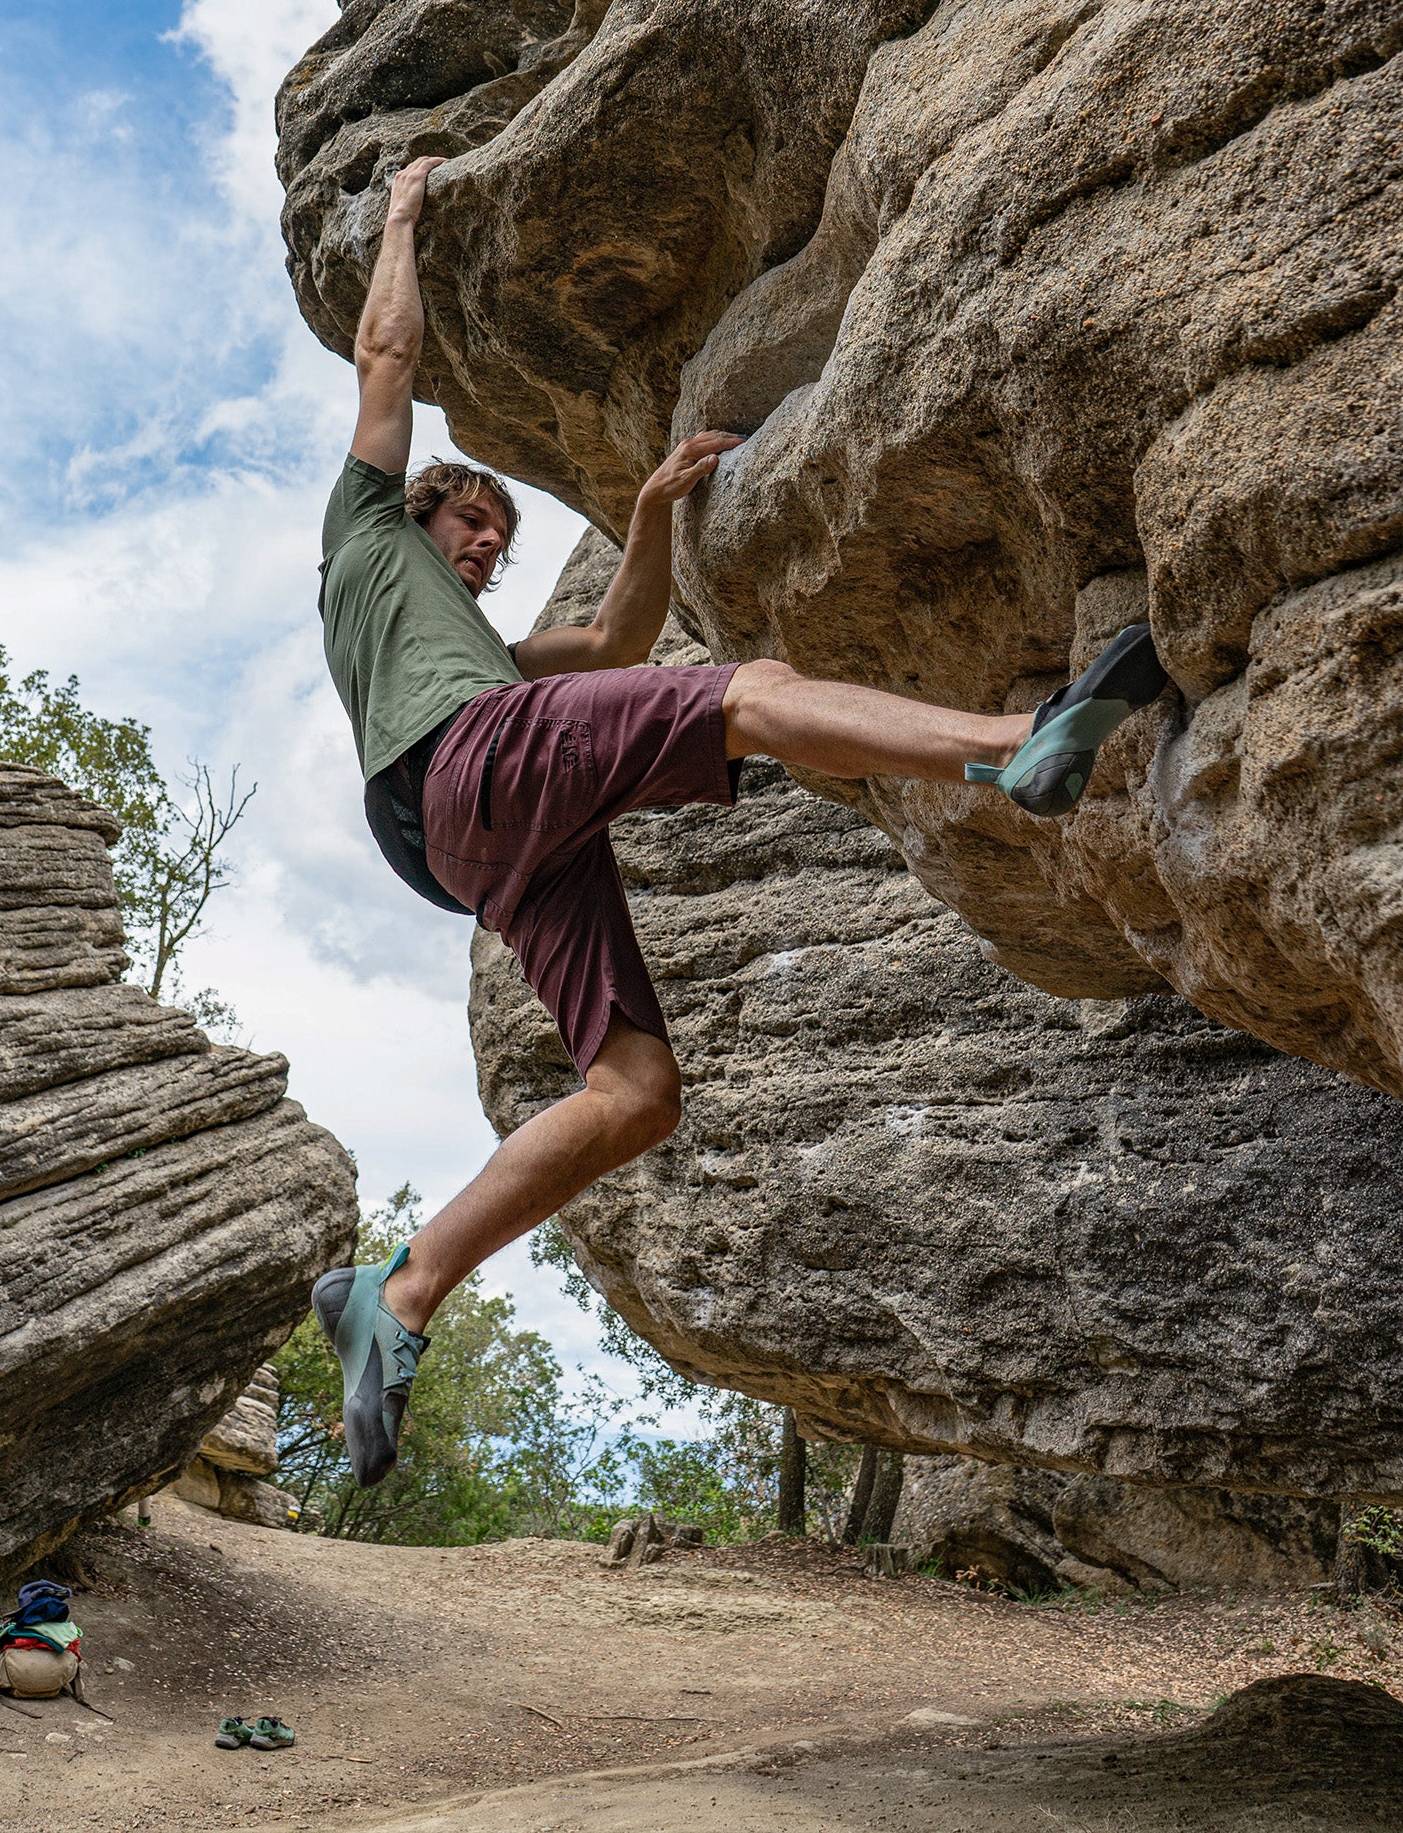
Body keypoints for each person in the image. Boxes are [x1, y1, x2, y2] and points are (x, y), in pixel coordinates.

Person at [312, 157, 1168, 1485]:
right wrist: (407, 214)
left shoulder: (484, 648)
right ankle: (1016, 749)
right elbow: (384, 353)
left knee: (636, 1091)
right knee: (750, 696)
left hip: (474, 845)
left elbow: (615, 637)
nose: (483, 548)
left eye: (495, 538)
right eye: (470, 523)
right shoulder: (368, 535)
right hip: (460, 769)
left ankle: (407, 1286)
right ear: (421, 513)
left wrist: (651, 512)